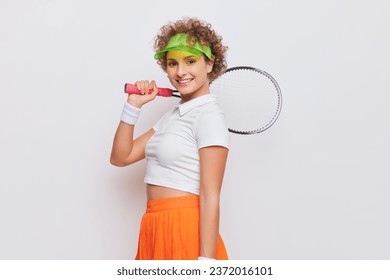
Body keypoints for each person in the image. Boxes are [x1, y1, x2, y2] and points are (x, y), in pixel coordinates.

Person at [110, 18, 229, 260]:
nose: (180, 72)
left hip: (184, 227)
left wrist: (206, 263)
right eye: (173, 63)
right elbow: (121, 157)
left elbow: (210, 195)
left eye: (190, 61)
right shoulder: (173, 116)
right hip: (154, 225)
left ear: (210, 64)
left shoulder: (208, 117)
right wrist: (133, 107)